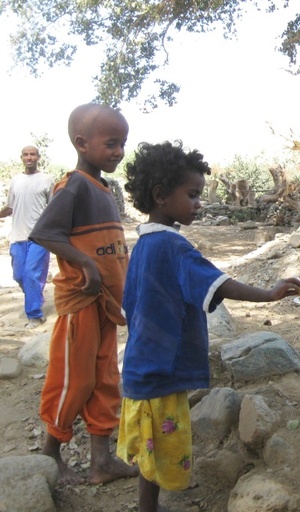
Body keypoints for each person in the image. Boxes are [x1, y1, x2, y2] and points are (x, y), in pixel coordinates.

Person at [116, 140, 300, 512]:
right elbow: (220, 284)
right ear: (160, 195)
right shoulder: (173, 247)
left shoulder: (143, 246)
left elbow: (129, 305)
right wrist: (269, 294)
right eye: (193, 195)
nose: (199, 203)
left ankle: (146, 507)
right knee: (161, 446)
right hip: (162, 369)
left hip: (142, 363)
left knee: (149, 445)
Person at [29, 103, 138, 486]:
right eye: (111, 143)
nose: (119, 151)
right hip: (82, 303)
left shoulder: (104, 189)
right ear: (82, 143)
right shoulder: (73, 184)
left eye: (122, 143)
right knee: (73, 379)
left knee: (106, 378)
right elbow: (44, 233)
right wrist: (86, 264)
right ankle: (50, 454)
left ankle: (100, 461)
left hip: (106, 305)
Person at [0, 145, 54, 328]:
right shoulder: (15, 181)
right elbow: (9, 208)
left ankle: (35, 315)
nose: (29, 157)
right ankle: (35, 296)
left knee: (31, 274)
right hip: (17, 237)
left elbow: (53, 208)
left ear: (38, 157)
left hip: (39, 237)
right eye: (26, 154)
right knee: (19, 276)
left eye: (32, 154)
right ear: (21, 157)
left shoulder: (47, 180)